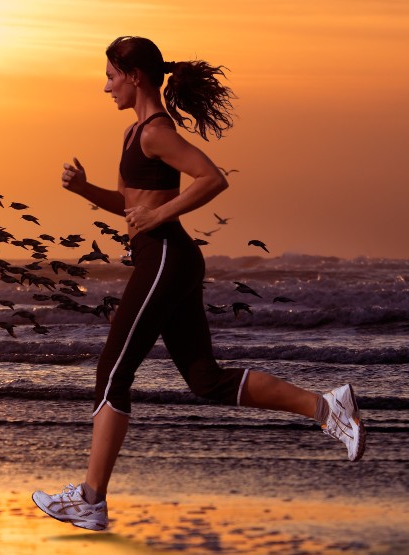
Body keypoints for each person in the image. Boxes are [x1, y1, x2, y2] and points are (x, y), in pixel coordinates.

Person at [32, 36, 365, 532]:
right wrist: (85, 190)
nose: (106, 87)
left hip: (166, 257)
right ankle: (327, 407)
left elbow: (212, 178)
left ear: (135, 75)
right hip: (168, 258)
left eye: (110, 76)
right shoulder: (133, 134)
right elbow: (130, 207)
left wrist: (160, 214)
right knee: (206, 380)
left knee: (112, 373)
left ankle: (90, 499)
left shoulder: (155, 132)